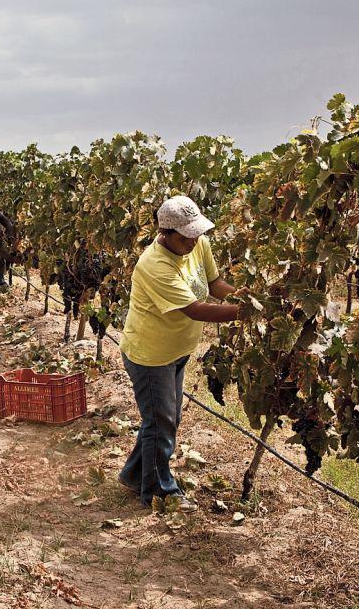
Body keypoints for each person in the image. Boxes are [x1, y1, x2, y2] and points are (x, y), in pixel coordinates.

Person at [118, 195, 243, 513]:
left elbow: (214, 284)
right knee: (161, 422)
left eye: (196, 233)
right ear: (165, 233)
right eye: (185, 237)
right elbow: (195, 309)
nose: (193, 241)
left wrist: (247, 297)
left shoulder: (197, 243)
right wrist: (247, 312)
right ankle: (159, 492)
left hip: (176, 350)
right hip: (150, 355)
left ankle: (134, 475)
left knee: (165, 419)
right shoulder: (154, 265)